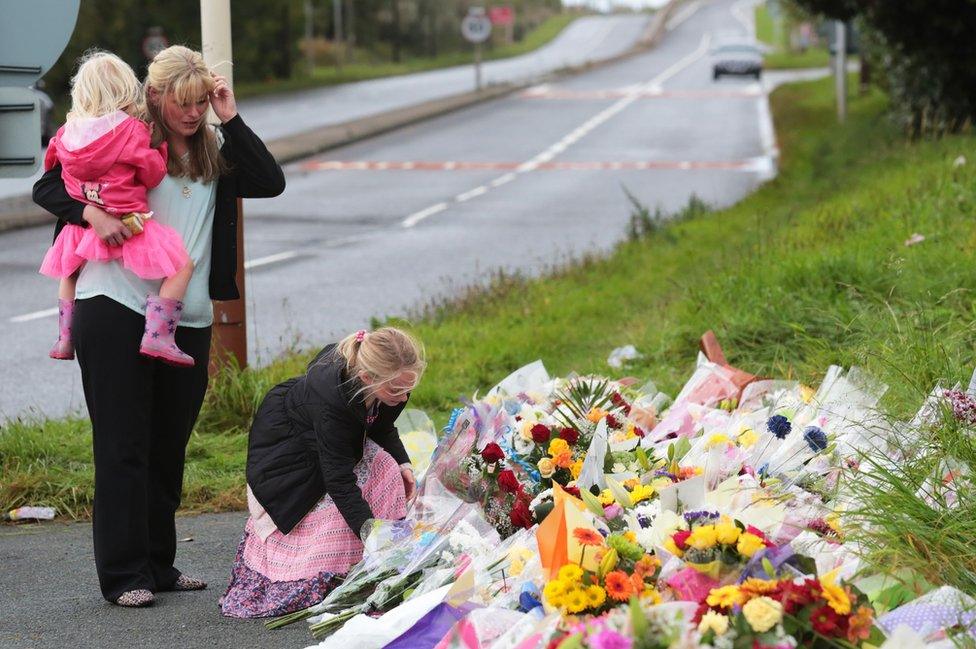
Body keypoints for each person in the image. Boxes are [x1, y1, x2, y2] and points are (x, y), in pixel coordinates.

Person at [32, 45, 285, 608]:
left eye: (202, 103)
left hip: (183, 316)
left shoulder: (215, 152)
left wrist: (231, 115)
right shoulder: (124, 137)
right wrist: (91, 213)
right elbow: (49, 185)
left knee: (167, 448)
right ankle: (124, 576)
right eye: (184, 102)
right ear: (154, 95)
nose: (193, 113)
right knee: (123, 446)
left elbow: (272, 181)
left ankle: (158, 564)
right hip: (113, 304)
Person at [219, 327, 425, 618]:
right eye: (397, 390)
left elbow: (381, 424)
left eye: (409, 388)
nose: (404, 398)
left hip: (330, 442)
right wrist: (371, 533)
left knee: (388, 468)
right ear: (367, 378)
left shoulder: (388, 384)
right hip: (288, 456)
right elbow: (339, 480)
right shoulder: (333, 408)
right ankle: (325, 565)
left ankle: (371, 561)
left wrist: (403, 462)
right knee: (334, 503)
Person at [40, 51, 197, 366]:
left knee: (70, 271)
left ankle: (65, 335)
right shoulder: (132, 131)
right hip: (130, 223)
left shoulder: (65, 135)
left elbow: (50, 172)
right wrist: (159, 146)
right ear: (127, 90)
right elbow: (152, 175)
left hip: (80, 231)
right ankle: (158, 336)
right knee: (181, 266)